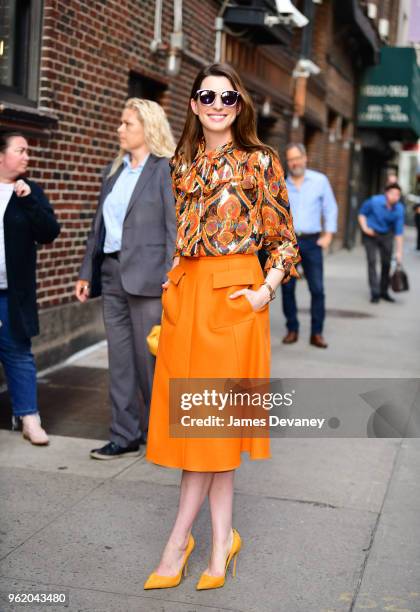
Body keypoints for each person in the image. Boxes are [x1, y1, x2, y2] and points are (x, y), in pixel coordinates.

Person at [143, 63, 299, 591]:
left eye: (227, 98)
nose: (216, 104)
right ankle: (221, 540)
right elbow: (184, 237)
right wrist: (171, 282)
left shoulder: (260, 161)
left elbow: (284, 242)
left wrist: (264, 290)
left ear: (240, 105)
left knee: (210, 429)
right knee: (206, 432)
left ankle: (177, 542)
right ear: (192, 103)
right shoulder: (181, 162)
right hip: (186, 301)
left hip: (235, 301)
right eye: (206, 96)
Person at [75, 99, 176, 459]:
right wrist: (87, 272)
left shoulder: (165, 169)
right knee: (120, 361)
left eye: (127, 124)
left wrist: (172, 276)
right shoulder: (113, 171)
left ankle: (162, 434)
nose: (119, 129)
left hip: (151, 281)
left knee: (150, 361)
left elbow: (173, 230)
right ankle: (124, 434)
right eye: (121, 123)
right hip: (113, 275)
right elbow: (97, 228)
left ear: (147, 128)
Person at [0, 130, 60, 444]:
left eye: (27, 151)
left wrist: (29, 201)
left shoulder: (29, 191)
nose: (27, 156)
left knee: (18, 353)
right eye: (20, 150)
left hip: (13, 292)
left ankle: (29, 418)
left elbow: (50, 232)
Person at [281, 143, 338, 349]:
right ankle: (292, 329)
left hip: (312, 241)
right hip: (288, 243)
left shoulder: (320, 181)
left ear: (305, 158)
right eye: (290, 159)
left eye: (297, 158)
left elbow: (330, 208)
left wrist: (328, 235)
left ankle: (317, 333)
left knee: (317, 289)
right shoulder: (282, 184)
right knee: (287, 288)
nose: (294, 162)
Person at [358, 182, 404, 303]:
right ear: (386, 193)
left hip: (387, 235)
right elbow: (362, 214)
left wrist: (399, 252)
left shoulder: (399, 209)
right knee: (372, 261)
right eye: (393, 193)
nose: (395, 196)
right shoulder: (374, 201)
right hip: (371, 234)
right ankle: (375, 292)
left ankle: (384, 291)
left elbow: (399, 232)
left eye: (398, 194)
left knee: (386, 263)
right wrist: (365, 228)